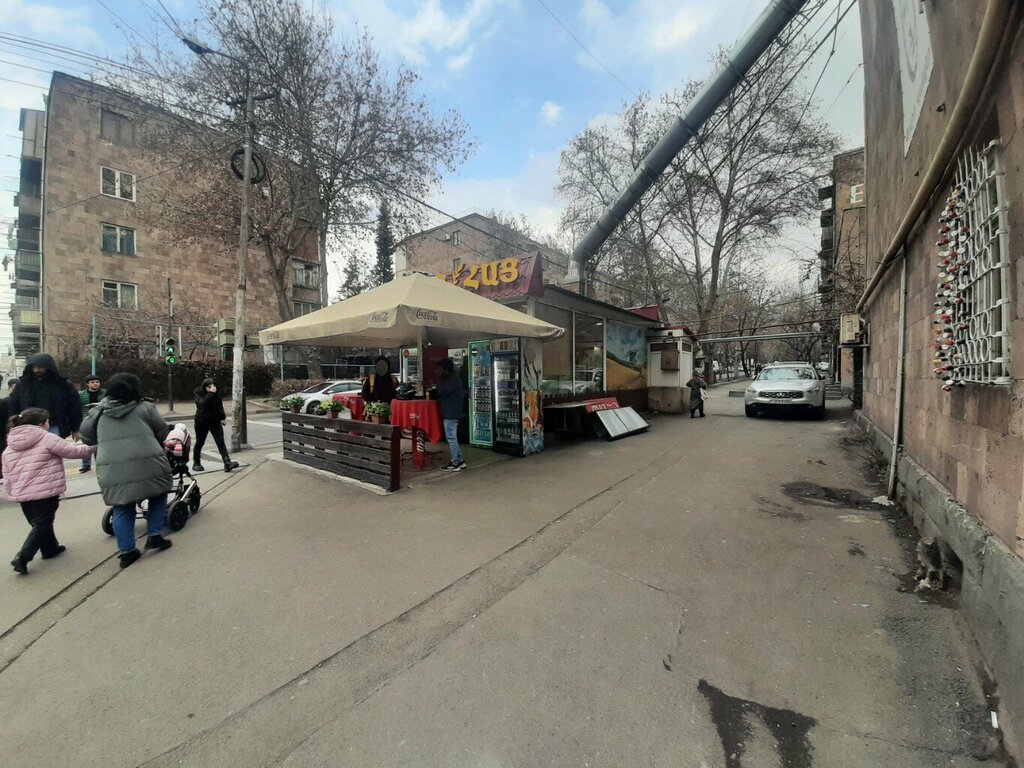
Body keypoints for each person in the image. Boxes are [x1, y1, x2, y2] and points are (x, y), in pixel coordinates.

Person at [80, 372, 174, 569]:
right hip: (147, 460)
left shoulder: (98, 411)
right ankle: (155, 535)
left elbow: (87, 437)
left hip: (112, 465)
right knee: (158, 494)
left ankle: (127, 552)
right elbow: (163, 432)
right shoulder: (146, 407)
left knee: (122, 507)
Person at [5, 407, 96, 574]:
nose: (49, 424)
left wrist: (11, 492)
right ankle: (23, 556)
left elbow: (7, 473)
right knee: (43, 523)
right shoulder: (46, 437)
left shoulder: (10, 444)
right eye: (48, 421)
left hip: (22, 494)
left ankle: (50, 549)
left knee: (37, 522)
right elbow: (73, 451)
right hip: (45, 490)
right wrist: (93, 448)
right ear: (41, 424)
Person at [9, 353, 83, 440]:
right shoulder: (23, 385)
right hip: (28, 427)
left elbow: (74, 408)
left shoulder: (62, 385)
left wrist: (76, 429)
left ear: (48, 367)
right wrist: (13, 426)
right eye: (34, 367)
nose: (36, 370)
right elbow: (14, 405)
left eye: (40, 367)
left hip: (54, 426)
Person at [191, 378, 239, 473]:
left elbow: (219, 405)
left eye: (213, 386)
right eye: (209, 387)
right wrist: (210, 394)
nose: (212, 388)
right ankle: (196, 462)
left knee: (220, 441)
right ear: (204, 387)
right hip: (202, 421)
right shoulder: (198, 393)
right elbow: (202, 404)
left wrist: (222, 417)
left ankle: (227, 462)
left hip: (214, 421)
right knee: (200, 442)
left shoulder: (215, 394)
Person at [435, 358, 466, 472]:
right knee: (452, 438)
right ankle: (460, 460)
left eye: (439, 369)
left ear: (445, 369)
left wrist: (438, 380)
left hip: (451, 413)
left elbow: (441, 392)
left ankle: (455, 463)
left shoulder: (453, 380)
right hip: (452, 412)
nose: (437, 371)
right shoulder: (453, 379)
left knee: (451, 438)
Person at [78, 375, 106, 473]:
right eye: (93, 382)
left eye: (97, 382)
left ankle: (99, 464)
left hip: (101, 420)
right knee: (86, 443)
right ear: (88, 384)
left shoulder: (105, 393)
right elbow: (78, 408)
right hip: (87, 421)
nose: (95, 384)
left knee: (100, 443)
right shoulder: (81, 395)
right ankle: (86, 465)